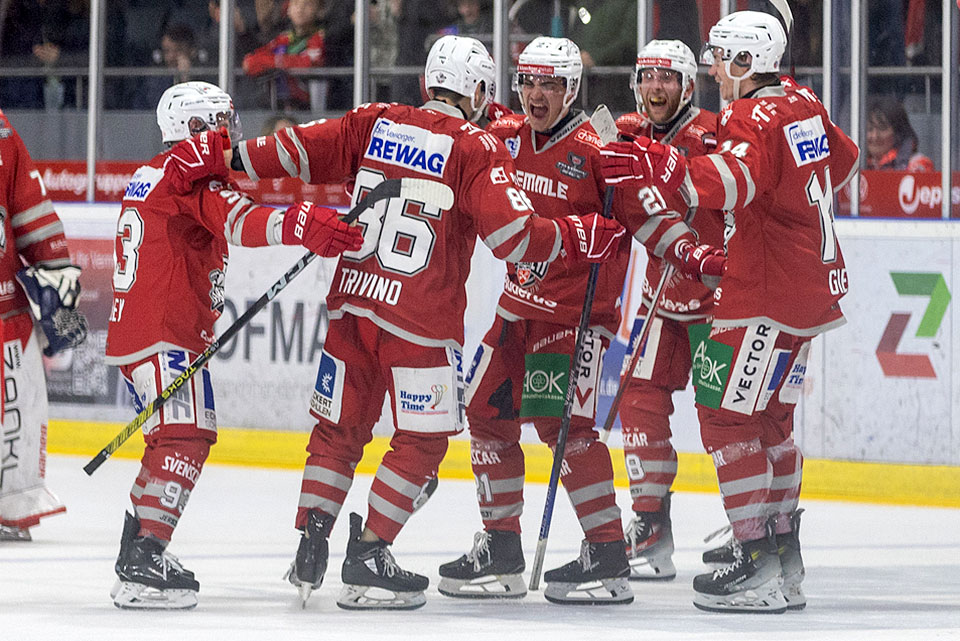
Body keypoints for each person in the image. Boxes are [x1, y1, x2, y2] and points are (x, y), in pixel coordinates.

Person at [229, 34, 625, 610]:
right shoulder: (476, 145)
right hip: (420, 319)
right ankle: (368, 554)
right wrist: (576, 234)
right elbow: (515, 239)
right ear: (484, 92)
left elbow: (292, 150)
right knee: (423, 438)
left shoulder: (374, 120)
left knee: (337, 435)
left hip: (352, 305)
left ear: (426, 84)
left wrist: (224, 158)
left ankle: (311, 539)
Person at [436, 36, 721, 605]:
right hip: (517, 309)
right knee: (485, 414)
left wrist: (694, 254)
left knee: (564, 429)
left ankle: (608, 552)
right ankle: (502, 545)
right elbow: (457, 131)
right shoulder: (506, 139)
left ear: (572, 90)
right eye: (529, 82)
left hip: (577, 316)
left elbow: (649, 216)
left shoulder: (599, 151)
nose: (537, 94)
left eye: (551, 84)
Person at [601, 10, 860, 613]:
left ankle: (754, 561)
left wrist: (658, 166)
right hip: (813, 292)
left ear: (745, 63)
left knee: (722, 415)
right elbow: (840, 165)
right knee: (769, 420)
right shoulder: (802, 100)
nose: (715, 69)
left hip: (762, 294)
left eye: (721, 57)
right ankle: (782, 555)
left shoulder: (748, 115)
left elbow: (725, 185)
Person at [104, 81, 363, 610]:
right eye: (220, 123)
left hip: (144, 333)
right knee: (186, 434)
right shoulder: (187, 178)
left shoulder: (156, 173)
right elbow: (241, 221)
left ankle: (138, 546)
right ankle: (143, 558)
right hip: (164, 335)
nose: (232, 134)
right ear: (194, 129)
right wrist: (303, 223)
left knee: (171, 437)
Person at [612, 39, 723, 582]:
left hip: (713, 300)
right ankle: (651, 525)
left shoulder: (709, 135)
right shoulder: (635, 133)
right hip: (661, 297)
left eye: (667, 77)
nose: (656, 87)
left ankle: (753, 527)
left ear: (687, 85)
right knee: (637, 399)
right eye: (648, 76)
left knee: (723, 417)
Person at [0, 108, 87, 541]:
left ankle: (8, 508)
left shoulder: (1, 129)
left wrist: (58, 296)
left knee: (14, 417)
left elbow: (32, 214)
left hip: (4, 315)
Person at [242, 0, 325, 110]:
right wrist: (279, 62)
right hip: (280, 104)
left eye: (307, 4)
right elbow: (250, 62)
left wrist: (272, 62)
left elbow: (308, 64)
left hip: (310, 108)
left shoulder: (322, 38)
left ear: (319, 10)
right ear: (288, 10)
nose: (300, 9)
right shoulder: (284, 38)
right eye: (295, 4)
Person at [865, 95, 934, 171]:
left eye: (882, 128)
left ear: (898, 132)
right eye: (869, 129)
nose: (875, 136)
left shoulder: (917, 165)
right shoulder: (855, 166)